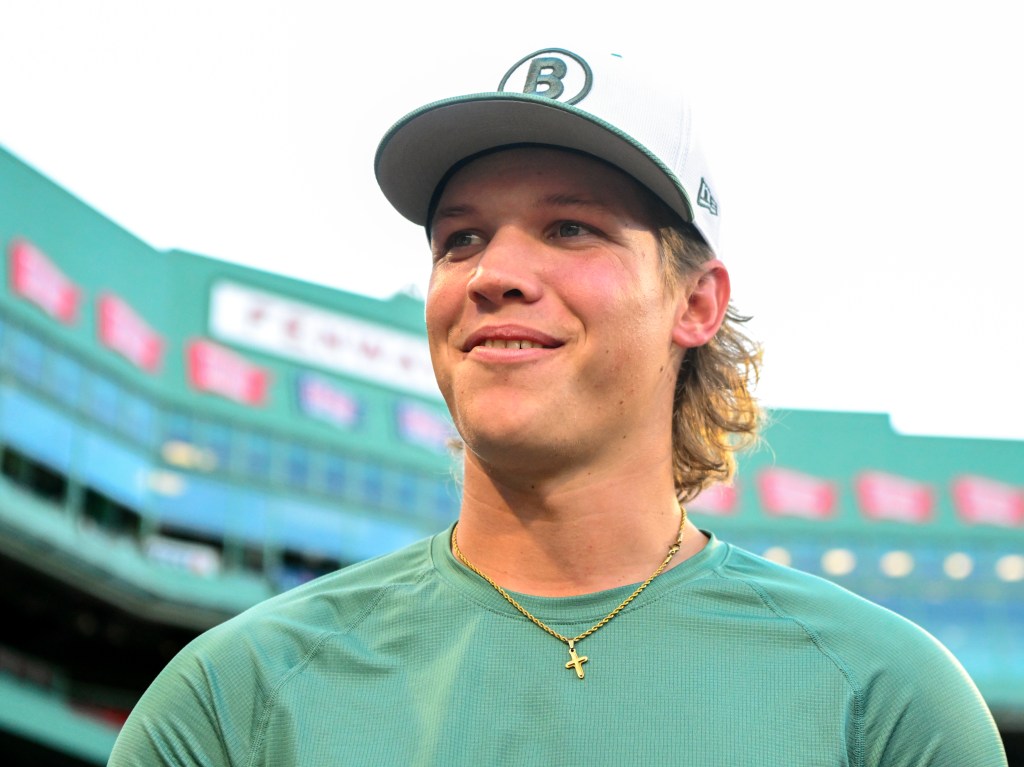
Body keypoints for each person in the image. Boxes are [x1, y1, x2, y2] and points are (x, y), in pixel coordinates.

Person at [109, 46, 1008, 765]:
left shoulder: (885, 701)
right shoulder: (234, 700)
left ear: (695, 303)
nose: (494, 273)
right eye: (461, 238)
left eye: (569, 227)